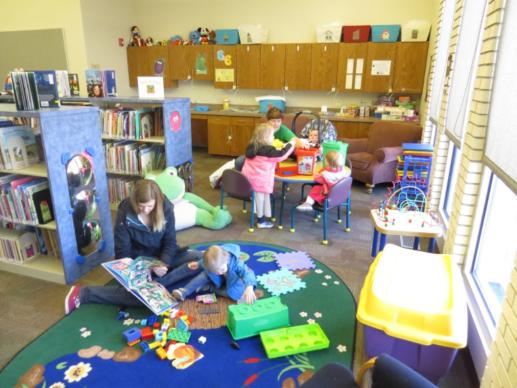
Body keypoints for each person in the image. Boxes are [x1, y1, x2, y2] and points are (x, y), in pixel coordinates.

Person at [64, 179, 203, 314]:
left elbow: (170, 242)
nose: (145, 210)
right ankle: (85, 293)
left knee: (199, 259)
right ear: (135, 202)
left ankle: (158, 284)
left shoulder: (166, 207)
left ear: (157, 201)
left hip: (161, 257)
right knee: (143, 299)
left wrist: (163, 262)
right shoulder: (125, 211)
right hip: (138, 261)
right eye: (141, 206)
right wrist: (139, 270)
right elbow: (122, 250)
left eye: (150, 206)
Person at [208, 107, 308, 188]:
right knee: (239, 162)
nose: (276, 124)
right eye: (273, 121)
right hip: (260, 154)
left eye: (278, 121)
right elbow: (253, 145)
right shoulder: (262, 129)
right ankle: (243, 183)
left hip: (273, 156)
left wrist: (300, 144)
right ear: (267, 121)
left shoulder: (283, 129)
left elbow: (295, 140)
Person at [242, 123, 295, 228]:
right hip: (260, 181)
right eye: (272, 136)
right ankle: (261, 222)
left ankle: (260, 217)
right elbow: (282, 155)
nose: (273, 137)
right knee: (261, 201)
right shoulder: (268, 150)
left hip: (249, 179)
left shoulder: (252, 146)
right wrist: (291, 144)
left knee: (259, 200)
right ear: (265, 138)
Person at [172, 244, 258, 304]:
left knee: (234, 294)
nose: (219, 272)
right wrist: (198, 264)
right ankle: (184, 291)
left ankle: (211, 288)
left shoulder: (236, 263)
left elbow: (248, 273)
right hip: (218, 280)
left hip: (232, 282)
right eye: (216, 271)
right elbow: (205, 262)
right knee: (204, 275)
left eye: (222, 269)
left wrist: (249, 287)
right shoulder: (213, 264)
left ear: (227, 259)